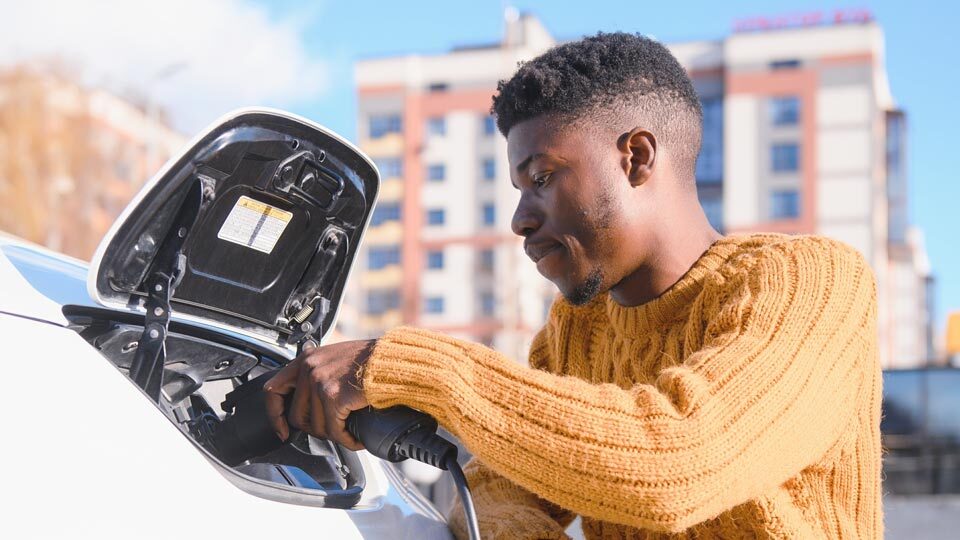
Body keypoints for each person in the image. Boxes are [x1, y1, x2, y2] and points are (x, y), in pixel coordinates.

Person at [264, 32, 882, 539]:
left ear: (637, 157)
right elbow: (488, 493)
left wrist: (412, 366)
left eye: (542, 177)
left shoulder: (812, 283)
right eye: (518, 189)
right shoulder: (575, 332)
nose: (520, 219)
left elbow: (678, 460)